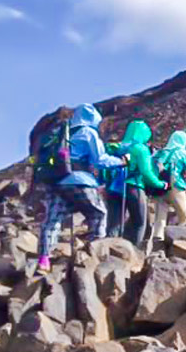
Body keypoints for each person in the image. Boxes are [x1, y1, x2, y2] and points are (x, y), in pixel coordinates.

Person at [37, 104, 125, 272]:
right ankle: (94, 254)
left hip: (56, 181)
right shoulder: (88, 132)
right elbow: (99, 160)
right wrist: (121, 162)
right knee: (98, 213)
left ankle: (43, 260)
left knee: (53, 220)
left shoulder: (62, 132)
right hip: (80, 179)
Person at [107, 120, 166, 247]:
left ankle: (109, 250)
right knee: (139, 222)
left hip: (114, 188)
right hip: (134, 186)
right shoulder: (140, 149)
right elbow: (146, 173)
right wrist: (161, 184)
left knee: (114, 223)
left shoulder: (118, 147)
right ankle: (134, 251)